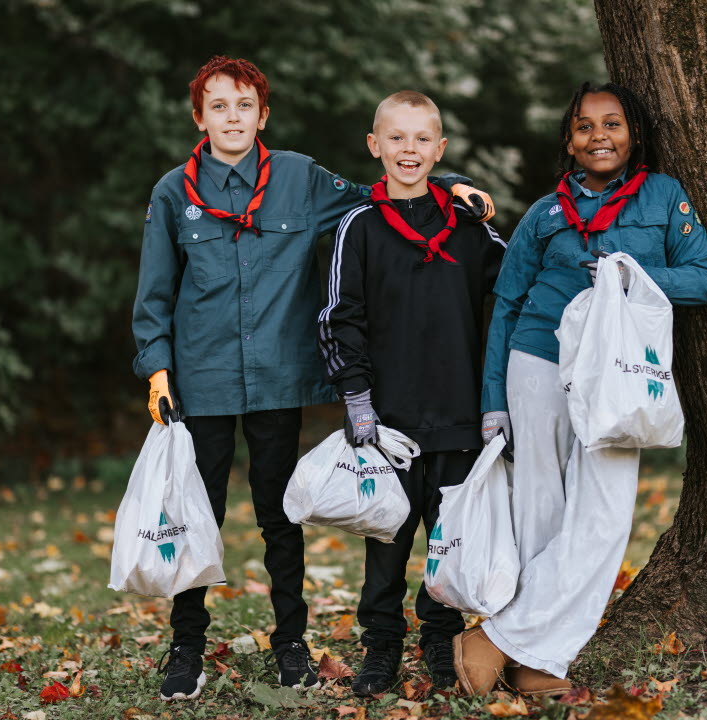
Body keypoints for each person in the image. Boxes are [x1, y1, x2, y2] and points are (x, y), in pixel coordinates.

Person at [131, 56, 493, 702]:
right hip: (201, 382)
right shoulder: (170, 194)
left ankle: (290, 641)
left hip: (278, 380)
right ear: (199, 117)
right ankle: (186, 645)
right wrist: (157, 370)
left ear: (262, 115)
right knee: (197, 514)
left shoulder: (299, 178)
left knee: (280, 514)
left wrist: (455, 181)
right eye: (219, 106)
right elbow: (154, 294)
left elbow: (382, 190)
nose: (232, 118)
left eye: (244, 106)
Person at [454, 82, 707, 695]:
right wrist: (493, 400)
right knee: (540, 514)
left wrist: (627, 277)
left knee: (602, 520)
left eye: (613, 123)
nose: (599, 136)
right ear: (569, 142)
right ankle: (537, 664)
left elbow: (703, 279)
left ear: (634, 135)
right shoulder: (545, 214)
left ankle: (494, 638)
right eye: (584, 126)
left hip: (616, 375)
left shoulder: (663, 196)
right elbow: (507, 304)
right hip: (538, 361)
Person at [318, 90, 507, 696]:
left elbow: (514, 292)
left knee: (446, 544)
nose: (409, 149)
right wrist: (356, 399)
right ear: (375, 146)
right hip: (387, 421)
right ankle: (379, 646)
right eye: (396, 138)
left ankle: (438, 641)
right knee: (387, 544)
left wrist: (500, 398)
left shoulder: (470, 230)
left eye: (422, 139)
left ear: (440, 149)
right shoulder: (360, 226)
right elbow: (337, 317)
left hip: (457, 414)